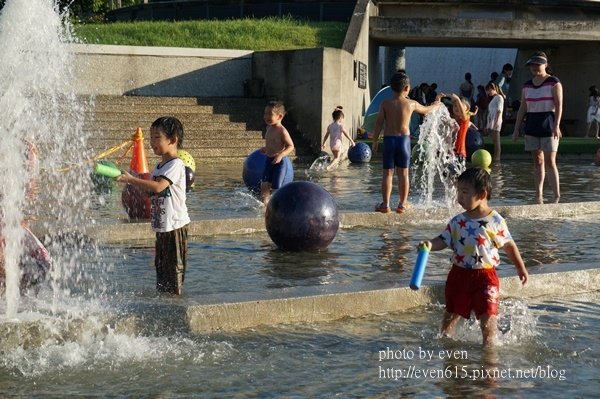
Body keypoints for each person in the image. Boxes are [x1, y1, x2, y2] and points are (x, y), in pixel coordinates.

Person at [418, 167, 528, 347]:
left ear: (482, 194)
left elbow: (508, 245)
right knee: (450, 316)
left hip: (485, 277)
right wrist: (430, 245)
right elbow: (443, 240)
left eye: (465, 192)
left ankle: (489, 356)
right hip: (458, 276)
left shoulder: (495, 220)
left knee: (488, 318)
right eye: (458, 192)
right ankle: (448, 351)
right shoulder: (458, 221)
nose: (459, 197)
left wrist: (520, 267)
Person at [117, 116, 190, 295]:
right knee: (161, 269)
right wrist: (131, 183)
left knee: (174, 269)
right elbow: (150, 192)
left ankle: (175, 304)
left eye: (157, 137)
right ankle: (164, 300)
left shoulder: (175, 164)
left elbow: (158, 186)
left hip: (175, 226)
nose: (151, 142)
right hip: (162, 227)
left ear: (173, 140)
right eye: (150, 137)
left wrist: (132, 179)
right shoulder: (159, 166)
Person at [372, 71, 443, 213]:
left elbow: (379, 123)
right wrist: (437, 102)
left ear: (392, 88)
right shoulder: (411, 104)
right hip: (403, 141)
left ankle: (385, 205)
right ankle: (402, 204)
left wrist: (375, 141)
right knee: (404, 173)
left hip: (388, 140)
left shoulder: (385, 103)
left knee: (388, 173)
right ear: (406, 88)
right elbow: (427, 110)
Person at [512, 51, 563, 204]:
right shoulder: (527, 85)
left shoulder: (554, 82)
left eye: (537, 64)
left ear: (545, 64)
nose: (534, 67)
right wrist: (516, 129)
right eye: (532, 65)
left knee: (550, 161)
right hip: (532, 124)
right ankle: (538, 195)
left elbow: (559, 105)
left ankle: (556, 197)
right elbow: (523, 107)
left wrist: (556, 125)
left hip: (548, 124)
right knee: (538, 161)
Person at [260, 101, 295, 205]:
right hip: (268, 160)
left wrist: (281, 155)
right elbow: (272, 142)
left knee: (276, 187)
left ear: (279, 116)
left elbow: (291, 146)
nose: (266, 116)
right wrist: (266, 148)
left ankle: (278, 206)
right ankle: (265, 207)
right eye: (265, 113)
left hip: (279, 163)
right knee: (264, 186)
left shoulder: (282, 131)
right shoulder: (268, 128)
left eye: (270, 114)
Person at [321, 106, 355, 170]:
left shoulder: (330, 126)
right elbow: (346, 134)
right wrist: (351, 141)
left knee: (335, 158)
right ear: (340, 118)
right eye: (342, 118)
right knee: (337, 158)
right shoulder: (340, 126)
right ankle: (328, 167)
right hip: (337, 144)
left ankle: (334, 173)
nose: (342, 120)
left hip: (332, 145)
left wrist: (323, 143)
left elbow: (326, 135)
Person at [484, 81, 505, 162]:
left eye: (489, 90)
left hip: (496, 121)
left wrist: (496, 123)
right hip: (491, 121)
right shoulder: (494, 98)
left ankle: (497, 158)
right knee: (494, 140)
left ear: (494, 89)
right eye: (487, 90)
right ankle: (495, 157)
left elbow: (499, 111)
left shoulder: (499, 97)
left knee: (497, 142)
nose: (488, 92)